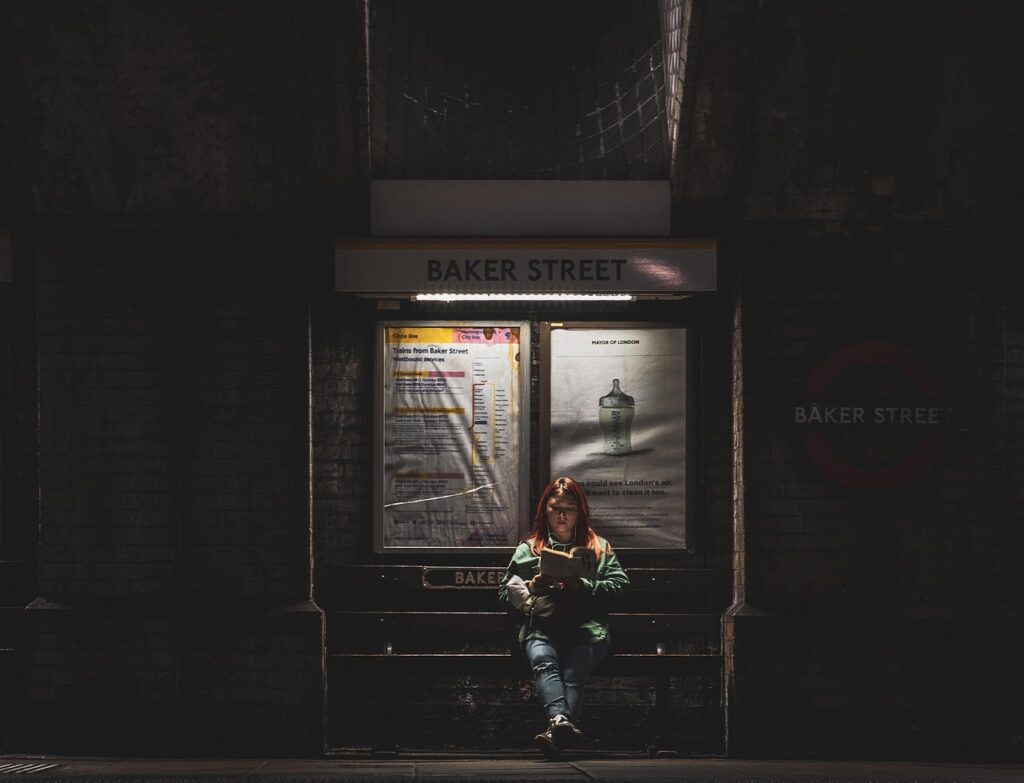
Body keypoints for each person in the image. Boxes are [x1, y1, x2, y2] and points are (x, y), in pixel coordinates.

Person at [497, 476, 629, 759]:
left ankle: (556, 726)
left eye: (569, 508)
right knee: (544, 661)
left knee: (572, 674)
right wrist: (534, 585)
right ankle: (560, 727)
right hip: (542, 626)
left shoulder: (598, 547)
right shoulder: (529, 548)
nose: (562, 515)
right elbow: (503, 594)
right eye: (555, 508)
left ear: (580, 511)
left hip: (587, 630)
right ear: (544, 510)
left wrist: (582, 585)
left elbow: (620, 586)